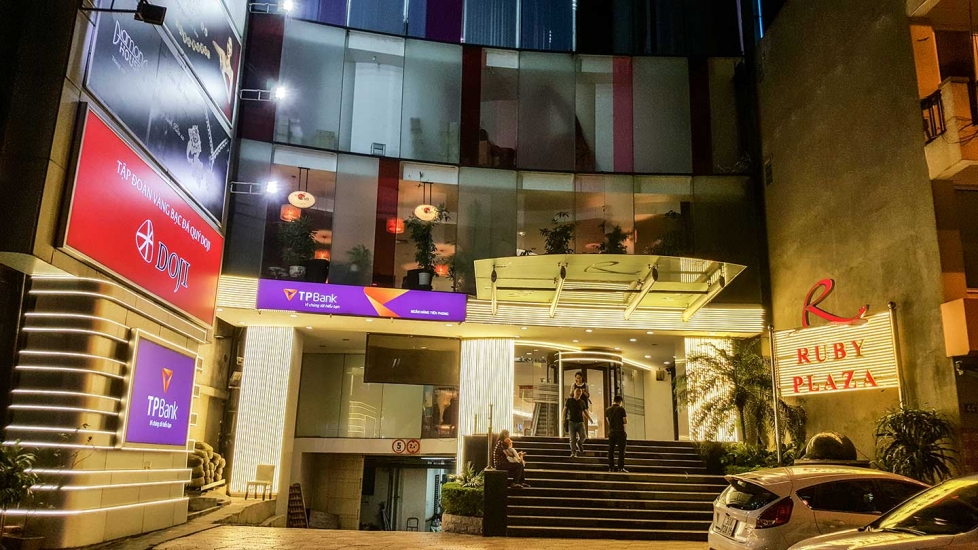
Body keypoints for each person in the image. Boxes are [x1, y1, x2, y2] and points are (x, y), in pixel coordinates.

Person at [562, 387, 591, 457]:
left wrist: (589, 418)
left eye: (580, 392)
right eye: (577, 391)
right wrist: (563, 418)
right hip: (571, 421)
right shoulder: (569, 400)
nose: (578, 393)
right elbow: (565, 409)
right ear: (574, 392)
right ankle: (573, 452)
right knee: (572, 438)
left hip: (580, 422)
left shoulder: (582, 402)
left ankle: (579, 443)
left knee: (583, 436)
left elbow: (584, 411)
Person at [605, 394, 628, 472]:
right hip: (620, 432)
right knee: (621, 451)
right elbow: (625, 421)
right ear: (620, 401)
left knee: (611, 450)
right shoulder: (621, 409)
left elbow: (608, 421)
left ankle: (611, 467)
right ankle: (620, 467)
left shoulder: (607, 410)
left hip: (611, 432)